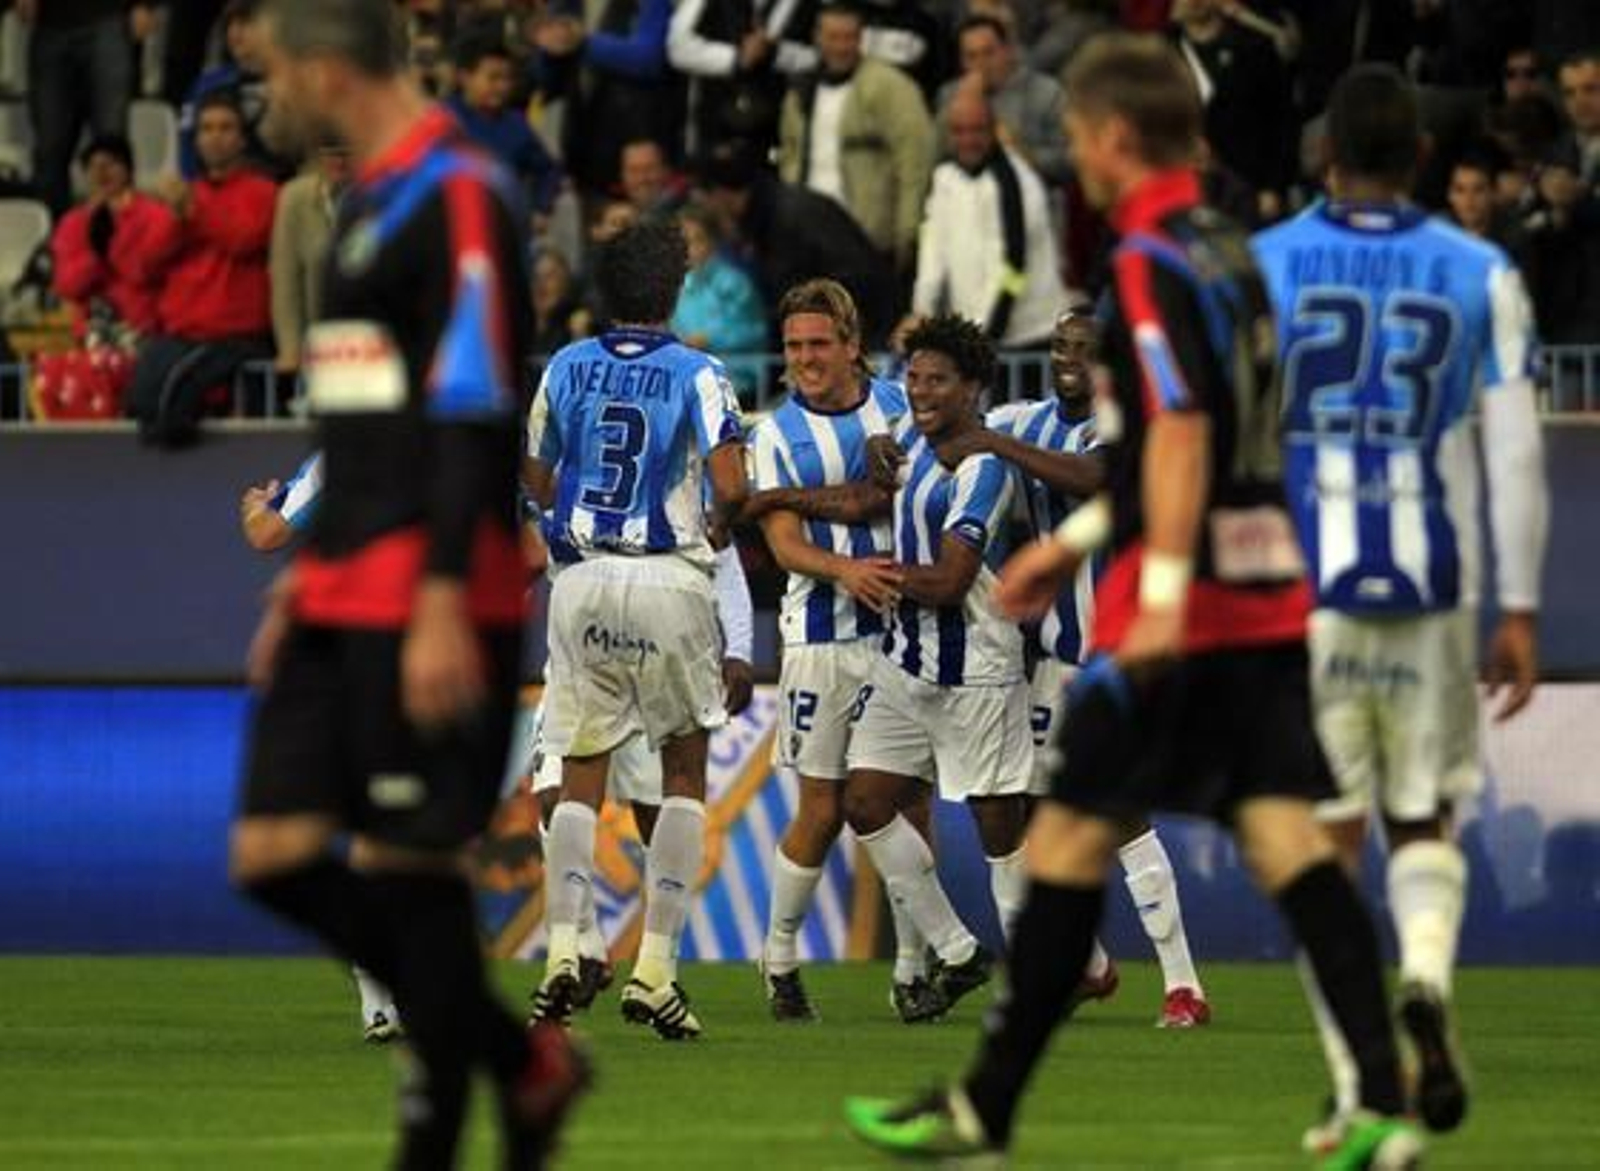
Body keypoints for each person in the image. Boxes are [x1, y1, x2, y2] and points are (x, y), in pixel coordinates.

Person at [844, 35, 1419, 1168]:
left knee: (1062, 841)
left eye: (1076, 136)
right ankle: (1383, 1101)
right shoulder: (1233, 252)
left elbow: (1186, 435)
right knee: (1287, 844)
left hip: (1187, 610)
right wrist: (1078, 541)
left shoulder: (1149, 260)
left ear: (1113, 137)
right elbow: (1197, 439)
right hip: (1263, 595)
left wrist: (1153, 592)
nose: (1071, 157)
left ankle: (982, 1109)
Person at [232, 3, 586, 1167]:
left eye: (273, 74)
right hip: (340, 590)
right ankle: (522, 1063)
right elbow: (362, 429)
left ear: (326, 70)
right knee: (273, 852)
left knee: (410, 876)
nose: (264, 99)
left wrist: (440, 596)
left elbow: (474, 410)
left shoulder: (461, 191)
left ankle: (462, 1118)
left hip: (430, 597)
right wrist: (301, 576)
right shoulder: (367, 204)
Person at [1253, 63, 1549, 1149]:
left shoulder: (1264, 265)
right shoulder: (1479, 269)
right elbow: (1515, 452)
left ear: (1325, 155)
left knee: (1319, 845)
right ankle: (1423, 973)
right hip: (1429, 584)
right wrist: (1519, 606)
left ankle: (1359, 1085)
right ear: (1421, 157)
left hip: (1306, 586)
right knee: (1422, 815)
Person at [933, 305, 1212, 1028]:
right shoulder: (1026, 420)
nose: (1068, 357)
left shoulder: (1126, 426)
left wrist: (989, 439)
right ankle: (1087, 967)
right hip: (1051, 659)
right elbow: (952, 432)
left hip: (1115, 654)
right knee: (1028, 809)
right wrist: (889, 438)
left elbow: (1094, 477)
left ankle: (1183, 984)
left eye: (1084, 348)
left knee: (1120, 814)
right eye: (1060, 344)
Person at [523, 216, 746, 1040]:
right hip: (666, 577)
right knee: (683, 770)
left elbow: (536, 472)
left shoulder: (565, 365)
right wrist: (721, 521)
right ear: (674, 289)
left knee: (578, 770)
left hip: (580, 580)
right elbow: (732, 481)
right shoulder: (700, 372)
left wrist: (575, 509)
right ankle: (655, 970)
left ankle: (561, 952)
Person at [738, 278, 945, 1024]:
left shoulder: (899, 408)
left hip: (903, 635)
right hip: (820, 639)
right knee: (822, 809)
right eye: (793, 347)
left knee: (909, 801)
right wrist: (844, 570)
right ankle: (779, 959)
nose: (804, 359)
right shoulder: (774, 433)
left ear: (852, 345)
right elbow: (783, 543)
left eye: (819, 344)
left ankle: (914, 969)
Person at [842, 313, 1033, 1002]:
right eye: (915, 377)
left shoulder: (984, 469)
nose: (920, 391)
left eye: (938, 380)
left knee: (999, 831)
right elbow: (866, 487)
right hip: (905, 661)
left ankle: (1052, 972)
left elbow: (951, 582)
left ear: (973, 388)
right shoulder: (905, 438)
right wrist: (775, 500)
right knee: (864, 801)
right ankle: (958, 951)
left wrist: (870, 574)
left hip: (977, 667)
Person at [524, 540, 755, 1012]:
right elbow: (528, 548)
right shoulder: (548, 499)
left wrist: (740, 646)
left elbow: (724, 545)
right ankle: (585, 948)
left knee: (656, 812)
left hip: (650, 636)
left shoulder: (683, 509)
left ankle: (659, 968)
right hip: (587, 635)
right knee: (553, 795)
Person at [127, 91, 278, 446]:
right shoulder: (183, 195)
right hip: (179, 335)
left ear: (242, 139)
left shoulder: (263, 192)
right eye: (207, 129)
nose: (215, 136)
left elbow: (244, 238)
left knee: (166, 407)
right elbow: (147, 261)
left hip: (234, 337)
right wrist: (178, 216)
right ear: (195, 140)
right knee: (139, 403)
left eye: (226, 128)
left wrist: (192, 211)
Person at [908, 81, 1066, 368]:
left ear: (994, 129)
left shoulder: (1018, 182)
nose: (968, 140)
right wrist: (921, 310)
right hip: (979, 341)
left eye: (977, 130)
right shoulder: (944, 179)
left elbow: (1015, 267)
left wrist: (987, 334)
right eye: (959, 131)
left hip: (1029, 337)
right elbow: (933, 250)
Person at [778, 1, 934, 277]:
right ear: (817, 38)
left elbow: (915, 162)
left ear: (861, 39)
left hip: (867, 239)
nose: (841, 47)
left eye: (849, 37)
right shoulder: (800, 91)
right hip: (806, 236)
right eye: (833, 37)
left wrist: (907, 231)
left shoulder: (891, 87)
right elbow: (789, 154)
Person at [16, 0, 151, 216]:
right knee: (49, 148)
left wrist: (143, 3)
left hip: (108, 18)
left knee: (111, 144)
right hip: (49, 25)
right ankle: (57, 231)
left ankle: (119, 229)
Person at [50, 134, 171, 339]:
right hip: (91, 332)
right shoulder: (73, 223)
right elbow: (68, 286)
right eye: (93, 166)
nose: (101, 172)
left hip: (144, 329)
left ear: (128, 170)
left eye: (110, 164)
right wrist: (96, 254)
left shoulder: (155, 215)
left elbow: (147, 272)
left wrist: (113, 238)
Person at [937, 14, 1070, 190]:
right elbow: (935, 155)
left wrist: (1023, 153)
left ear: (1008, 50)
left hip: (1032, 194)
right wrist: (962, 106)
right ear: (961, 61)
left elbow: (1068, 160)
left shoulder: (1047, 92)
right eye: (971, 56)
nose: (981, 64)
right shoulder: (949, 94)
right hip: (966, 196)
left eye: (989, 53)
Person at [445, 30, 564, 220]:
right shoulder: (440, 121)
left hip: (505, 225)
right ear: (465, 77)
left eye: (508, 78)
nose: (503, 87)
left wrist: (541, 208)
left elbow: (549, 170)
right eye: (493, 78)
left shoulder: (516, 124)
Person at [669, 203, 769, 397]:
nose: (689, 249)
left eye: (697, 240)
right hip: (687, 382)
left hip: (735, 382)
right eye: (683, 241)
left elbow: (754, 331)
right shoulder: (673, 286)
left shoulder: (734, 283)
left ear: (713, 242)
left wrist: (710, 339)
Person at [269, 142, 350, 379]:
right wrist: (290, 348)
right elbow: (285, 279)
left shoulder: (386, 191)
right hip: (319, 347)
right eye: (330, 152)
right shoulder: (295, 197)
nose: (338, 160)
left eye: (345, 152)